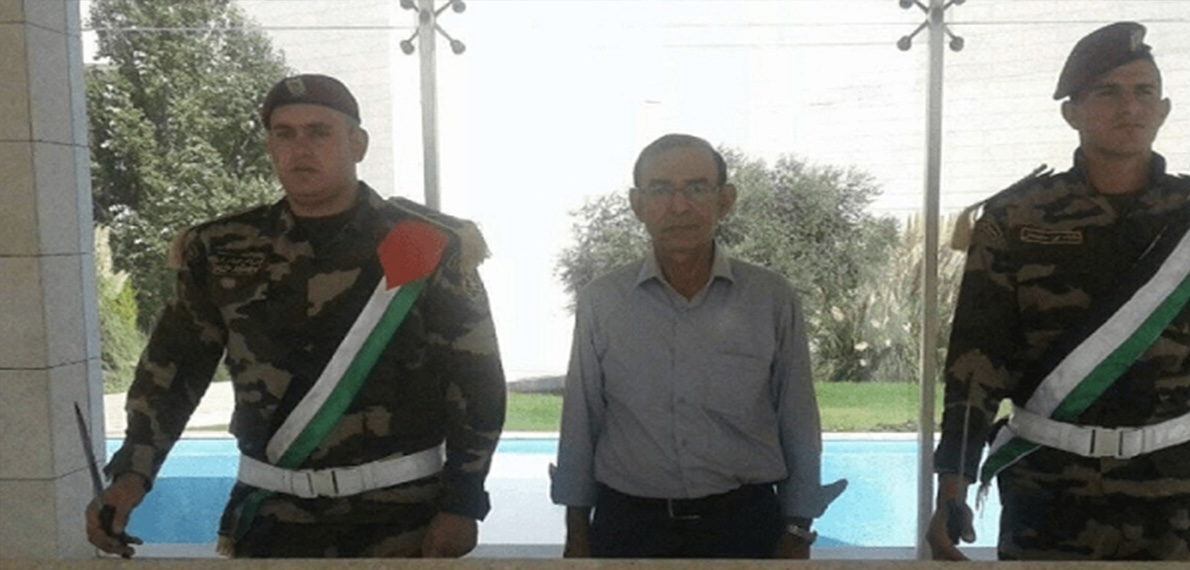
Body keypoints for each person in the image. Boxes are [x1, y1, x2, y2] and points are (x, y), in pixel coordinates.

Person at [85, 74, 507, 558]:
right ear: (269, 146)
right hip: (270, 519)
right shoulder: (220, 248)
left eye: (319, 132)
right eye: (284, 134)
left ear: (358, 144)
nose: (300, 148)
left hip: (401, 517)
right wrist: (132, 475)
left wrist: (463, 502)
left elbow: (475, 380)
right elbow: (174, 368)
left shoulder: (425, 244)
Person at [926, 22, 1190, 561]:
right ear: (1072, 113)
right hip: (1046, 488)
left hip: (1171, 493)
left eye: (1144, 92)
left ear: (1164, 109)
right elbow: (976, 360)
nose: (1129, 107)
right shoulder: (1016, 216)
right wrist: (953, 482)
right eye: (1108, 92)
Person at [551, 133, 840, 559]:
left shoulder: (770, 298)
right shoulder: (603, 301)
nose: (679, 206)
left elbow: (797, 420)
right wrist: (576, 534)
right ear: (637, 205)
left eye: (697, 188)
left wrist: (797, 530)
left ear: (725, 201)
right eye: (660, 189)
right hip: (628, 527)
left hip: (745, 527)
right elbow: (582, 420)